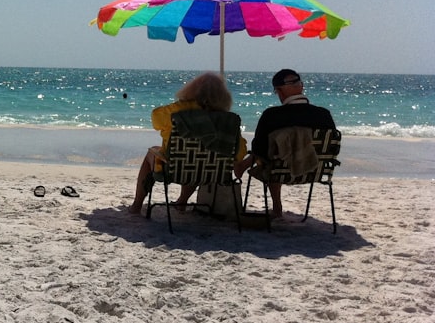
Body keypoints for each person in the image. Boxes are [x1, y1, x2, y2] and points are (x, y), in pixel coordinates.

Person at [128, 72, 246, 215]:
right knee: (201, 158)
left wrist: (183, 104)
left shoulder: (178, 110)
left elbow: (155, 119)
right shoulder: (228, 120)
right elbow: (239, 153)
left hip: (172, 170)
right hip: (213, 173)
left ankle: (137, 205)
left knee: (153, 153)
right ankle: (182, 201)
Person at [234, 69, 336, 219]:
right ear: (301, 87)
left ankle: (276, 205)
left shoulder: (272, 115)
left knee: (270, 156)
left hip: (279, 172)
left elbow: (258, 149)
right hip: (315, 170)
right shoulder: (323, 114)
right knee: (272, 154)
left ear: (279, 91)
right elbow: (333, 147)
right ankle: (244, 166)